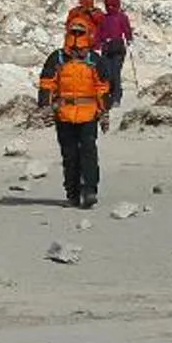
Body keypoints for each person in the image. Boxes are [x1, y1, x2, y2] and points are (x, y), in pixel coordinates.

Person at [37, 13, 113, 209]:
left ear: (88, 34)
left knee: (88, 152)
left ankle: (89, 190)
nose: (77, 36)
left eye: (80, 32)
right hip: (64, 112)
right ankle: (72, 192)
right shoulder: (58, 57)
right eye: (74, 32)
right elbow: (47, 83)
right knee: (70, 155)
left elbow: (102, 87)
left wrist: (104, 111)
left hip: (88, 113)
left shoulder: (94, 59)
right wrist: (45, 105)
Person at [94, 0, 134, 119]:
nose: (110, 7)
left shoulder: (121, 17)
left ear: (117, 5)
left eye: (113, 5)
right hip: (106, 48)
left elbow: (127, 29)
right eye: (108, 5)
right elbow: (99, 32)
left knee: (115, 72)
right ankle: (110, 95)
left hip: (117, 48)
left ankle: (116, 97)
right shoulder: (103, 18)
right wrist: (97, 44)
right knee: (107, 73)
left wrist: (129, 38)